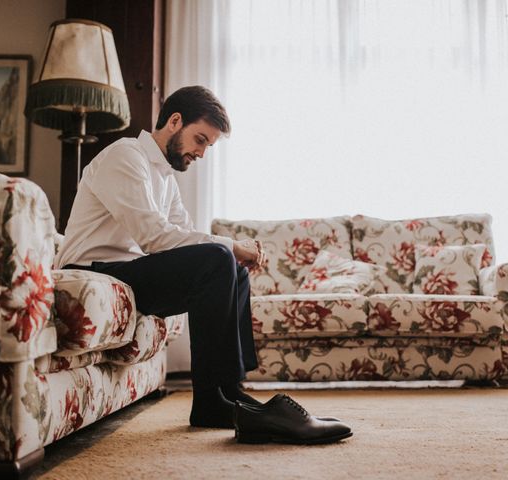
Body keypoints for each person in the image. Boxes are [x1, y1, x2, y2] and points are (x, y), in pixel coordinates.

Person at [55, 86, 351, 443]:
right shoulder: (125, 156)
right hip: (93, 270)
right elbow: (155, 237)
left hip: (127, 272)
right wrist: (230, 245)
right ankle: (210, 402)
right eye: (200, 140)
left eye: (208, 145)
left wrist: (232, 253)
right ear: (174, 121)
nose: (201, 152)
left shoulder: (164, 176)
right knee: (218, 258)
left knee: (231, 268)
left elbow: (184, 233)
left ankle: (233, 394)